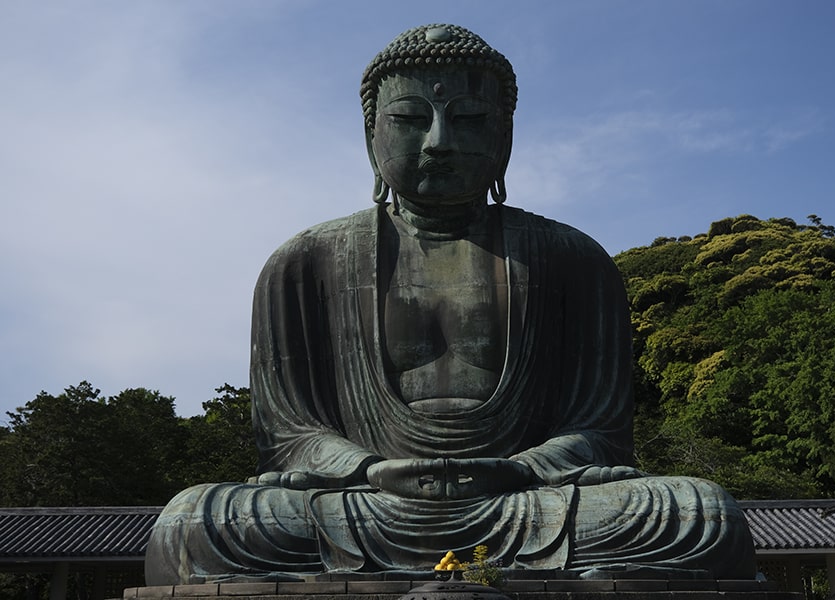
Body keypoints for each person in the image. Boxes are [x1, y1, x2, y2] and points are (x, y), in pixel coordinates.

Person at [145, 24, 757, 585]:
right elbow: (289, 437)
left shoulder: (571, 258)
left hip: (526, 503)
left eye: (467, 119)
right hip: (364, 504)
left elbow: (597, 433)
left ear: (504, 135)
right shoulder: (304, 263)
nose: (439, 142)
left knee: (698, 514)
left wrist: (517, 469)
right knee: (198, 521)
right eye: (411, 118)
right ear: (371, 134)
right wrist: (367, 471)